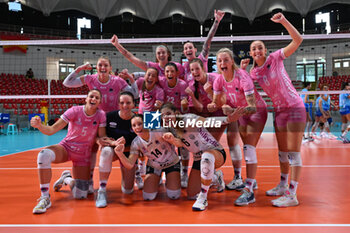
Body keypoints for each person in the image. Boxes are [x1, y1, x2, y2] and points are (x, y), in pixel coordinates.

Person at [241, 12, 305, 207]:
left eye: (260, 47)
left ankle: (292, 195)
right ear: (251, 54)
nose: (257, 50)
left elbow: (298, 40)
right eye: (253, 49)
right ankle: (283, 184)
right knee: (282, 152)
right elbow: (243, 86)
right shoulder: (254, 72)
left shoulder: (276, 58)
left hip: (294, 107)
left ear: (265, 50)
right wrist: (243, 71)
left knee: (293, 153)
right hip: (279, 111)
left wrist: (283, 21)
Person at [62, 56, 138, 193]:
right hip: (96, 119)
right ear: (96, 67)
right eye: (100, 65)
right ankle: (90, 180)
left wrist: (131, 79)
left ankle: (137, 173)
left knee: (119, 146)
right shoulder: (90, 78)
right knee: (92, 149)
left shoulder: (117, 81)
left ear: (110, 68)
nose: (103, 68)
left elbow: (134, 94)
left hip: (114, 119)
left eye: (105, 65)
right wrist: (79, 69)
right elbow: (67, 83)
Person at [31, 89, 107, 214]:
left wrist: (104, 141)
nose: (93, 99)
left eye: (97, 98)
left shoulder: (101, 115)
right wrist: (39, 126)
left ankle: (67, 178)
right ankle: (45, 197)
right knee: (43, 155)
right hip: (67, 148)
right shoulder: (74, 110)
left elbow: (101, 136)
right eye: (91, 96)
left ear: (99, 102)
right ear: (86, 99)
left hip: (83, 155)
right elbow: (51, 130)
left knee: (81, 194)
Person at [208, 48, 267, 206]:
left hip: (257, 112)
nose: (222, 63)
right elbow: (216, 102)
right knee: (246, 147)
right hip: (240, 114)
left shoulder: (242, 77)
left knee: (248, 147)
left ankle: (249, 191)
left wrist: (231, 110)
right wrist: (213, 105)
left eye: (225, 60)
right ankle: (251, 181)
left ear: (232, 62)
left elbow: (252, 107)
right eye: (219, 60)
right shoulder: (219, 80)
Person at [160, 103, 244, 211]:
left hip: (215, 152)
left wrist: (228, 119)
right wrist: (172, 140)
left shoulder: (188, 119)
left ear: (176, 113)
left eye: (168, 114)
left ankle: (203, 198)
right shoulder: (170, 129)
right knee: (191, 194)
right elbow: (180, 143)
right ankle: (215, 177)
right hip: (198, 158)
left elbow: (208, 121)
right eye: (163, 115)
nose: (166, 117)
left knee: (207, 156)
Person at [113, 114, 181, 201]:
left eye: (139, 124)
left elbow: (180, 144)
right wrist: (119, 153)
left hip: (172, 162)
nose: (137, 127)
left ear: (145, 124)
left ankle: (172, 177)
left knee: (174, 195)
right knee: (148, 197)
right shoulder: (136, 142)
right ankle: (157, 177)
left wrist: (172, 140)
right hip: (155, 166)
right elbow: (130, 165)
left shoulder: (159, 131)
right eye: (134, 125)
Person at [95, 91, 140, 208]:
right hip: (113, 150)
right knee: (105, 151)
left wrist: (123, 149)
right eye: (122, 103)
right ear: (118, 104)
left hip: (130, 153)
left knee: (127, 190)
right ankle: (102, 190)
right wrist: (113, 143)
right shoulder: (109, 116)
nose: (125, 106)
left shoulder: (138, 120)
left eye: (128, 103)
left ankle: (137, 172)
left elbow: (147, 141)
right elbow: (101, 137)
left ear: (134, 105)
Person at [111, 36, 184, 79]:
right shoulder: (152, 67)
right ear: (156, 56)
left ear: (168, 54)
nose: (161, 55)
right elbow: (130, 57)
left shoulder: (177, 66)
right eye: (158, 53)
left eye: (163, 52)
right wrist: (117, 45)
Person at [182, 10, 225, 82]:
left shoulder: (201, 59)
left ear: (195, 50)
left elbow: (207, 42)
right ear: (184, 52)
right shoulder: (184, 67)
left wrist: (216, 22)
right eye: (186, 48)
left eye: (190, 47)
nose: (188, 50)